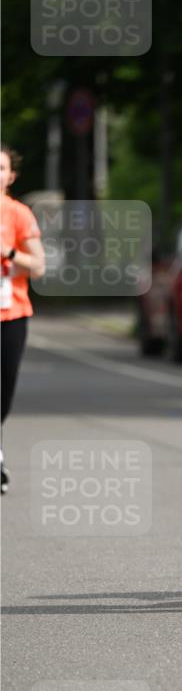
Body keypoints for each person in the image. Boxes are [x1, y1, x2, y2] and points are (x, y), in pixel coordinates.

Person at [1, 144, 45, 493]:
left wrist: (8, 252)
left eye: (1, 168)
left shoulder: (18, 214)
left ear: (11, 175)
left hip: (11, 315)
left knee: (3, 397)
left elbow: (39, 266)